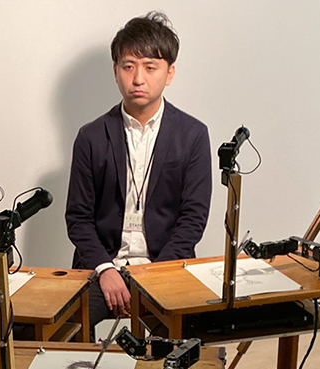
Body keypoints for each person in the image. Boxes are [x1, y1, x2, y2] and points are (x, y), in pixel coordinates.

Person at [65, 11, 212, 332]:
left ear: (169, 73)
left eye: (150, 67)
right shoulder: (90, 136)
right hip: (102, 268)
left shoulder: (193, 134)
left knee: (187, 345)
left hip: (165, 267)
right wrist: (106, 269)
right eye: (128, 66)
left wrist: (153, 276)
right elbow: (78, 219)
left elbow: (193, 219)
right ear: (115, 71)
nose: (138, 78)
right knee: (63, 330)